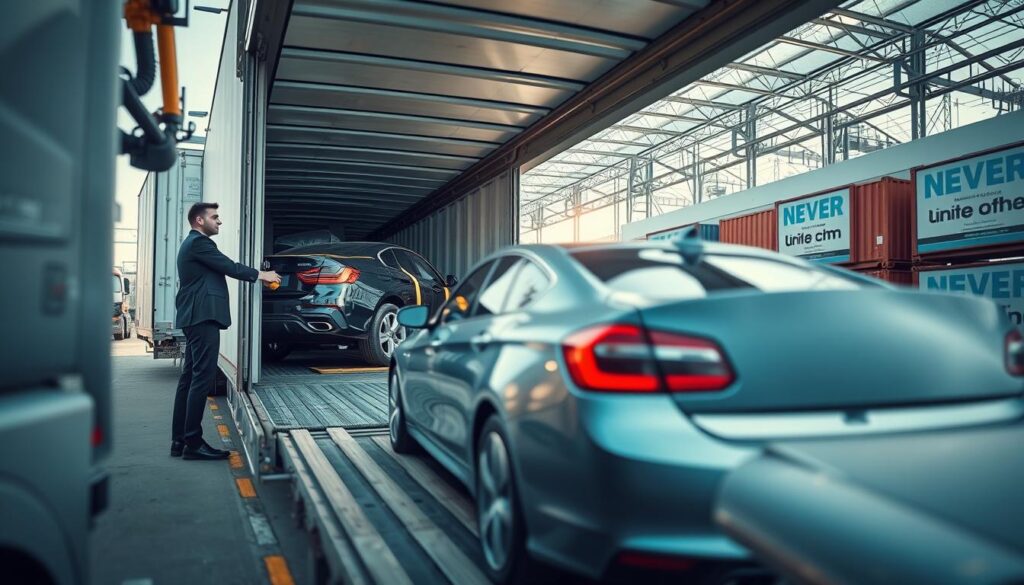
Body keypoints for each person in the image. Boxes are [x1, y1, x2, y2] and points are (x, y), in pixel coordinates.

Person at [171, 202, 280, 460]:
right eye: (215, 217)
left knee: (189, 378)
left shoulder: (192, 244)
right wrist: (262, 275)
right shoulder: (199, 244)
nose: (219, 222)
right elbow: (229, 266)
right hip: (202, 316)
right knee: (201, 379)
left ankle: (180, 441)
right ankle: (193, 443)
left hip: (194, 317)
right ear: (199, 220)